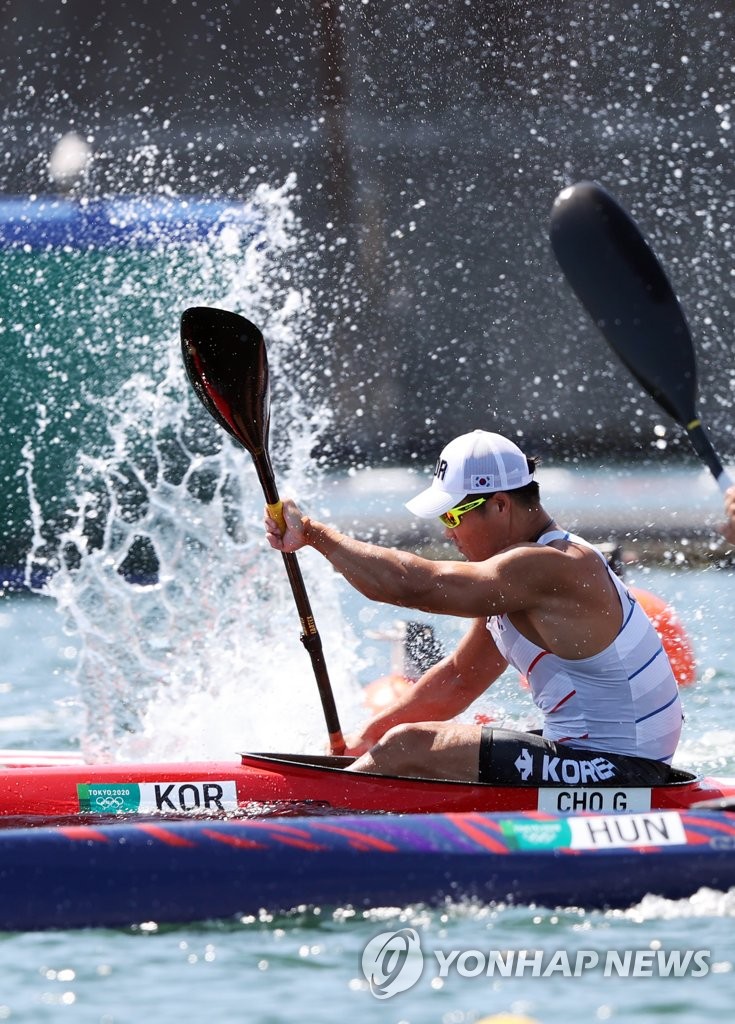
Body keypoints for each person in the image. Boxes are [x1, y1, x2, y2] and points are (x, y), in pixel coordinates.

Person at [265, 429, 683, 787]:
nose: (447, 532)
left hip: (622, 771)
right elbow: (460, 679)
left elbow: (417, 587)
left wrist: (315, 534)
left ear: (501, 504)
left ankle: (312, 819)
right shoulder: (513, 581)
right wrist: (367, 736)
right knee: (400, 745)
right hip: (595, 759)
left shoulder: (553, 566)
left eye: (452, 515)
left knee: (407, 747)